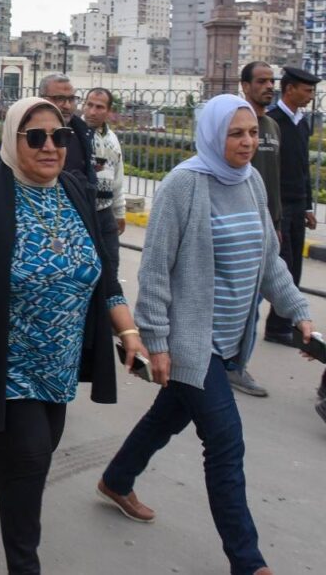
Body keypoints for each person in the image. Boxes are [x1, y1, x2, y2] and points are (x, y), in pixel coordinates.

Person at [97, 95, 314, 575]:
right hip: (193, 342)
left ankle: (116, 479)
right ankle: (248, 561)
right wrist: (157, 342)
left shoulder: (251, 181)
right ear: (214, 135)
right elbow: (155, 270)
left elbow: (269, 261)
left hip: (233, 339)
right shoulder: (183, 185)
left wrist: (298, 311)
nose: (247, 142)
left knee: (168, 416)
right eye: (236, 134)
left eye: (252, 133)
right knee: (225, 442)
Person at [0, 96, 145, 574]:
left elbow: (102, 272)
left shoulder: (74, 190)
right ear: (13, 141)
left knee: (36, 447)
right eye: (36, 137)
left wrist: (128, 329)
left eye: (60, 136)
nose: (50, 146)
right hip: (5, 361)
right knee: (30, 460)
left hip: (60, 362)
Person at [233, 61, 282, 397]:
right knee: (240, 301)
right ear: (245, 85)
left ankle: (237, 364)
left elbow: (274, 178)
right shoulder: (232, 122)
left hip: (267, 224)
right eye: (261, 81)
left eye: (271, 80)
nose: (269, 86)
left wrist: (276, 222)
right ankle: (229, 365)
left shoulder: (273, 126)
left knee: (256, 301)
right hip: (239, 224)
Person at [264, 66, 321, 345]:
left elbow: (302, 168)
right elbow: (269, 169)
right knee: (282, 267)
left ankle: (281, 325)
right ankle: (277, 327)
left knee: (295, 266)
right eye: (307, 90)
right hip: (280, 206)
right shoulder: (273, 121)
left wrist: (308, 206)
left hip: (297, 206)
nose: (311, 96)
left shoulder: (302, 122)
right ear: (290, 89)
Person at [82, 87, 126, 279]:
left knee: (110, 266)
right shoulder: (75, 134)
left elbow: (118, 178)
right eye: (89, 105)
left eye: (99, 107)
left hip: (105, 213)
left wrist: (119, 212)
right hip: (81, 212)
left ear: (108, 111)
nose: (92, 111)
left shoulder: (112, 139)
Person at [39, 74, 97, 199]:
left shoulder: (82, 132)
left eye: (71, 99)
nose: (67, 106)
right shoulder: (26, 132)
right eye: (59, 98)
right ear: (42, 99)